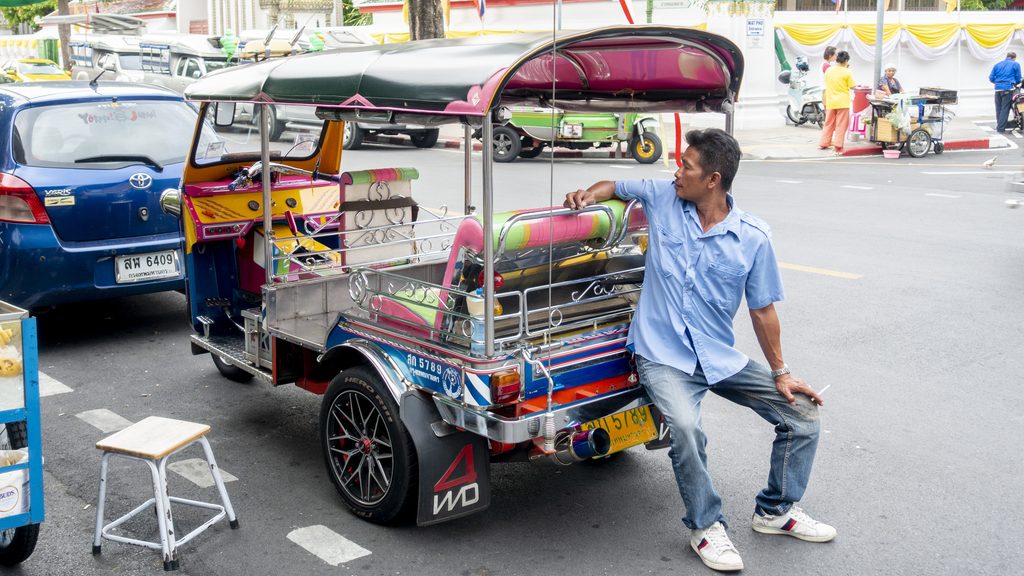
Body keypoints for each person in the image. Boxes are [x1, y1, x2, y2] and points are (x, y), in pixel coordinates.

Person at [564, 129, 835, 573]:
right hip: (661, 354)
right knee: (687, 429)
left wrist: (782, 372)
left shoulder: (753, 237)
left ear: (713, 179)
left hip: (716, 356)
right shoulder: (663, 198)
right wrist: (586, 195)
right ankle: (706, 526)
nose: (676, 171)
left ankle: (776, 511)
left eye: (686, 165)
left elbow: (762, 311)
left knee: (802, 414)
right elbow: (613, 185)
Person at [819, 50, 855, 155]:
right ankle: (838, 144)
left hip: (830, 101)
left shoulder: (829, 70)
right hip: (843, 102)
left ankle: (824, 143)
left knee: (828, 123)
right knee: (841, 124)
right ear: (846, 61)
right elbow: (852, 86)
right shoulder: (847, 72)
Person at [989, 52, 1021, 133]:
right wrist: (1015, 83)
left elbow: (991, 78)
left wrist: (998, 83)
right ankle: (1000, 128)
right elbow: (1018, 78)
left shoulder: (997, 64)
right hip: (1008, 88)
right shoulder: (1015, 64)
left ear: (1007, 57)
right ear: (1014, 58)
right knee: (1005, 109)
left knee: (998, 109)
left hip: (997, 89)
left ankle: (1000, 125)